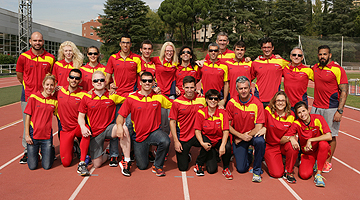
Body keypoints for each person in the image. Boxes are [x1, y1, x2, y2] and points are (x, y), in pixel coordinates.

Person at [117, 72, 172, 177]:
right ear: (140, 82)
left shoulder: (159, 98)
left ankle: (158, 165)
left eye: (150, 81)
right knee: (142, 166)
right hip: (139, 136)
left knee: (165, 140)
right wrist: (119, 127)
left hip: (154, 132)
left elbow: (175, 106)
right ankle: (143, 153)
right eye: (144, 81)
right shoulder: (131, 98)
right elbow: (120, 116)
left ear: (153, 83)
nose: (147, 83)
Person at [78, 71, 132, 176]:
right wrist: (82, 127)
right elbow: (81, 116)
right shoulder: (86, 97)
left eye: (102, 80)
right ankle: (107, 154)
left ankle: (126, 160)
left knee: (124, 128)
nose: (99, 82)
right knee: (96, 164)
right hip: (95, 133)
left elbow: (131, 97)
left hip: (108, 129)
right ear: (92, 83)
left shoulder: (112, 96)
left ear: (105, 81)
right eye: (96, 80)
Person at [104, 34, 143, 166]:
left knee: (130, 126)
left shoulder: (137, 58)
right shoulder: (113, 58)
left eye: (128, 43)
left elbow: (142, 75)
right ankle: (114, 154)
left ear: (131, 44)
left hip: (131, 98)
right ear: (120, 44)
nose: (125, 45)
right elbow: (107, 77)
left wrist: (153, 85)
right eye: (123, 43)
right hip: (117, 98)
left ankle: (129, 152)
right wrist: (108, 85)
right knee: (116, 126)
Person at [16, 32, 55, 164]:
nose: (37, 43)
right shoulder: (23, 57)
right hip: (28, 96)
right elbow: (19, 75)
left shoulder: (50, 58)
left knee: (44, 122)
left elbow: (52, 76)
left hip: (45, 96)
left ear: (43, 42)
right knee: (27, 122)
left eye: (40, 40)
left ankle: (46, 148)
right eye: (35, 40)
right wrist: (29, 88)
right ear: (30, 41)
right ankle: (28, 151)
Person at [311, 45, 348, 173]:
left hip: (331, 108)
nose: (322, 56)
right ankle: (315, 159)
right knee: (314, 133)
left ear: (330, 55)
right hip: (316, 107)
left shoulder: (337, 69)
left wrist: (340, 110)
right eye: (320, 54)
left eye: (325, 54)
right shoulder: (315, 67)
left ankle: (328, 161)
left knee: (330, 136)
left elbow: (344, 91)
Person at [283, 101, 332, 187]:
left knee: (324, 144)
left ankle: (318, 174)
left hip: (320, 149)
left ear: (308, 110)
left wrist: (310, 140)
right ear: (297, 115)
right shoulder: (297, 123)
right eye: (299, 112)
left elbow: (329, 136)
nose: (302, 114)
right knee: (304, 175)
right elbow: (283, 139)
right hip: (308, 153)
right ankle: (313, 162)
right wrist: (291, 138)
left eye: (303, 111)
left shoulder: (318, 118)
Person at [227, 76, 265, 182]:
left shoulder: (257, 103)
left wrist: (245, 136)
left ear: (250, 88)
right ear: (236, 90)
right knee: (241, 169)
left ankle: (257, 170)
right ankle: (249, 153)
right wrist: (240, 136)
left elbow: (258, 127)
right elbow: (228, 125)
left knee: (260, 141)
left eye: (245, 88)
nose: (243, 91)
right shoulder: (231, 103)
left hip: (252, 135)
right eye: (241, 88)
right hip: (239, 136)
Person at [56, 69, 91, 176]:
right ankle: (74, 146)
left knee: (86, 131)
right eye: (72, 77)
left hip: (77, 127)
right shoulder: (59, 91)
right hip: (65, 129)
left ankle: (82, 162)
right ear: (68, 78)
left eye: (76, 78)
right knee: (66, 163)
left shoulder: (84, 94)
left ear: (80, 80)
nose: (74, 80)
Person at [258, 91, 297, 183]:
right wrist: (264, 127)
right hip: (271, 146)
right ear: (274, 102)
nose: (280, 103)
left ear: (286, 102)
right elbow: (262, 124)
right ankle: (274, 159)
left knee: (293, 146)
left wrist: (291, 138)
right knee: (277, 174)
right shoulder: (267, 111)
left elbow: (291, 133)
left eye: (283, 100)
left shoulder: (291, 115)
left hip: (283, 144)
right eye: (278, 100)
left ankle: (289, 171)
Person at [169, 76, 206, 171]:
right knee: (183, 168)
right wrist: (176, 142)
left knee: (210, 142)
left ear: (195, 88)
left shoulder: (202, 99)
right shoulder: (177, 102)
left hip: (198, 135)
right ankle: (187, 154)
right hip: (183, 136)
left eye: (192, 87)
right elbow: (172, 122)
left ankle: (200, 161)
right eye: (187, 87)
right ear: (182, 87)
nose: (189, 90)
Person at [193, 89, 232, 179]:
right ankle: (199, 163)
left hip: (218, 139)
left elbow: (226, 130)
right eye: (211, 98)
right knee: (211, 170)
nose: (213, 101)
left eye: (215, 99)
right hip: (207, 139)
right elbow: (197, 131)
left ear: (218, 101)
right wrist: (202, 143)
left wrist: (222, 146)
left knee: (227, 146)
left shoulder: (223, 113)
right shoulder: (201, 113)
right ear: (206, 99)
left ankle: (226, 168)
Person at [24, 74, 57, 170]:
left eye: (52, 85)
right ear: (43, 85)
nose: (49, 87)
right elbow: (28, 116)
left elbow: (60, 114)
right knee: (33, 166)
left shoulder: (54, 101)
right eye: (47, 84)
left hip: (47, 136)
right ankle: (35, 154)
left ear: (54, 86)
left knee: (46, 166)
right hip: (33, 134)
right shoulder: (34, 97)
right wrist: (27, 134)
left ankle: (50, 151)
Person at [251, 37, 289, 108]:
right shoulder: (255, 62)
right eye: (264, 47)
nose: (266, 49)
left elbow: (295, 65)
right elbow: (249, 78)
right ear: (261, 48)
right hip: (259, 99)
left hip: (275, 100)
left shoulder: (280, 61)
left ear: (273, 48)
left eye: (269, 47)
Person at [153, 42, 178, 137]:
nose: (169, 53)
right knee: (162, 120)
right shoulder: (157, 60)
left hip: (170, 94)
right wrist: (152, 85)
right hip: (160, 94)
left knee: (170, 120)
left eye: (171, 51)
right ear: (164, 51)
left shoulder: (175, 62)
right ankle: (160, 145)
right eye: (167, 50)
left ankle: (166, 142)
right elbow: (144, 62)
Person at [201, 43, 229, 107]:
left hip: (218, 98)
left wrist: (224, 99)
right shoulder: (203, 64)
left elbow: (226, 83)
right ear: (208, 52)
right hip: (204, 98)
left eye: (215, 51)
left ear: (219, 52)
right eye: (211, 51)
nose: (213, 52)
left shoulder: (224, 66)